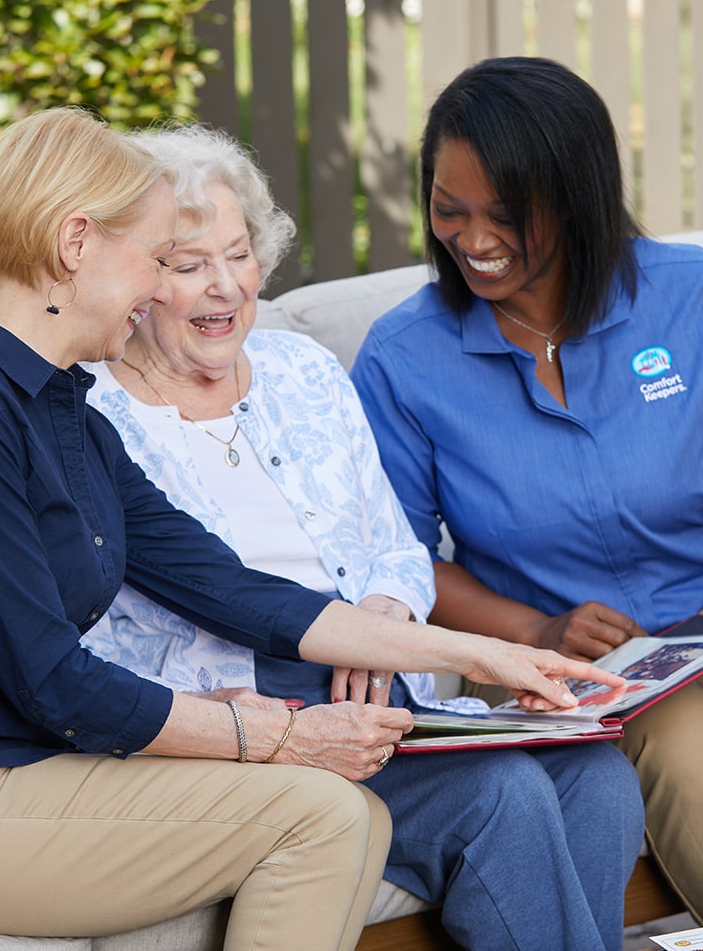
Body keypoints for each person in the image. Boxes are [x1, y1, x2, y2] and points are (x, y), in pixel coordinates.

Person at [0, 106, 624, 950]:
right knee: (325, 816)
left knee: (349, 811)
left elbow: (230, 588)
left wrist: (481, 654)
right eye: (159, 260)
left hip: (24, 772)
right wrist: (279, 734)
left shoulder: (60, 409)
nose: (164, 289)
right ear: (75, 244)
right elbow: (52, 679)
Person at [77, 122, 645, 950]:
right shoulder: (93, 418)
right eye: (187, 266)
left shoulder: (302, 373)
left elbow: (397, 548)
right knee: (502, 798)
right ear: (132, 279)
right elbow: (89, 640)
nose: (225, 288)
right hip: (246, 734)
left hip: (389, 703)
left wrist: (381, 617)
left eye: (238, 255)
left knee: (597, 776)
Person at [350, 56, 703, 926]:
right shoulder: (404, 356)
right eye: (450, 210)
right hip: (571, 666)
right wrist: (537, 631)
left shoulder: (694, 294)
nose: (473, 239)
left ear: (579, 198)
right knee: (689, 754)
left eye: (507, 215)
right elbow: (397, 561)